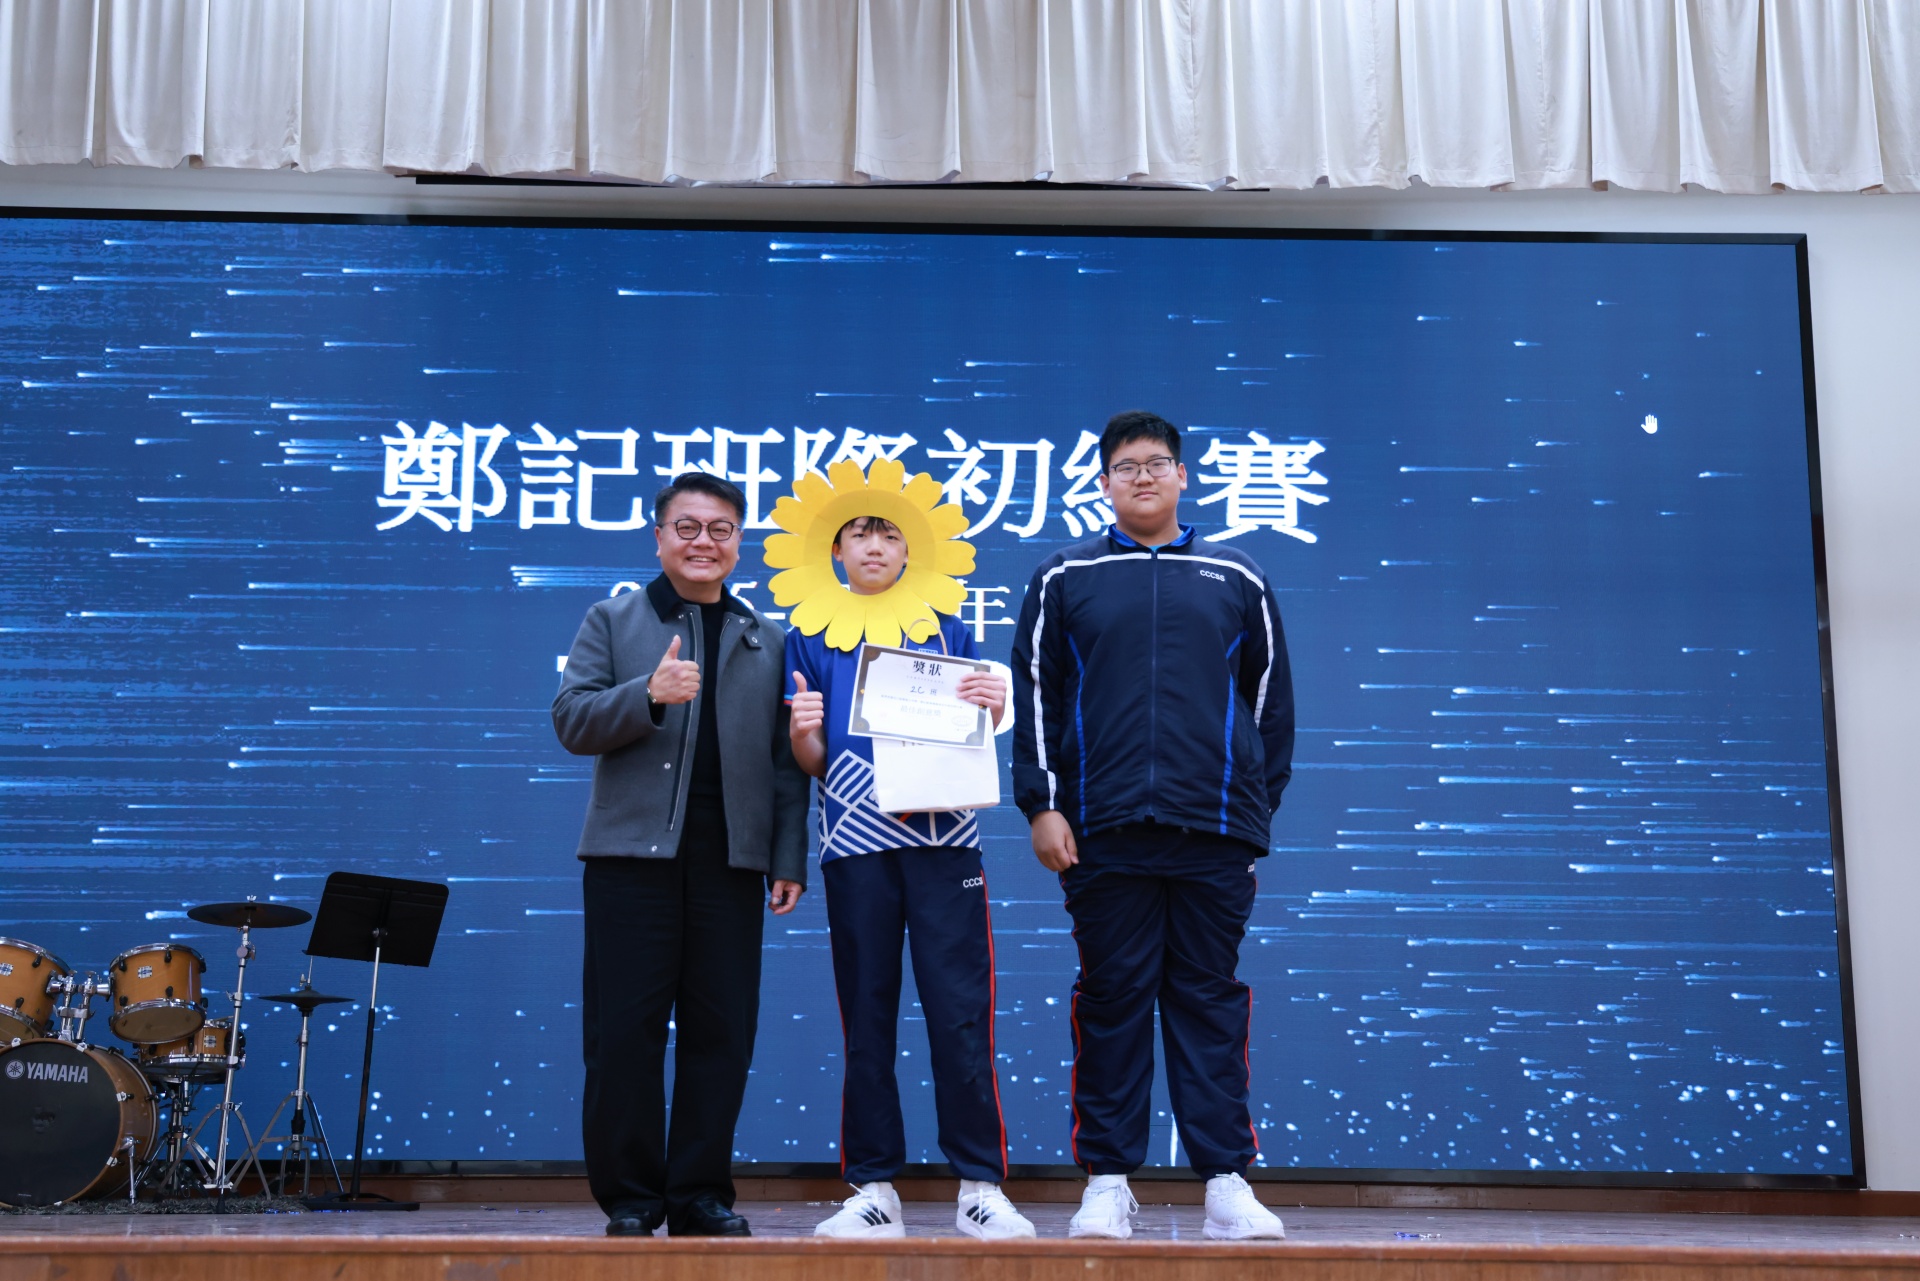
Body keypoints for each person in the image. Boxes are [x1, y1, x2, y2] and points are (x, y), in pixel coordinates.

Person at [1011, 410, 1294, 1241]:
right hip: (1102, 827)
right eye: (1126, 466)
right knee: (1113, 998)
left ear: (1182, 476)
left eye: (1157, 463)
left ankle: (1226, 1181)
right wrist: (1042, 803)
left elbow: (1271, 705)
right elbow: (1036, 696)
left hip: (1214, 831)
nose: (1143, 476)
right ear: (1104, 483)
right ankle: (1107, 1179)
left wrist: (1252, 814)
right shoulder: (1065, 576)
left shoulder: (1237, 575)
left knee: (1209, 999)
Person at [552, 472, 810, 1238]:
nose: (704, 542)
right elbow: (570, 719)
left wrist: (787, 856)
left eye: (720, 528)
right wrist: (648, 694)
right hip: (631, 861)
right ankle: (632, 1196)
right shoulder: (613, 618)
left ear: (740, 541)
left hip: (730, 861)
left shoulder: (764, 636)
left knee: (721, 1032)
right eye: (688, 527)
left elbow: (786, 763)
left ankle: (699, 1193)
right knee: (623, 1033)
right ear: (660, 536)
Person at [785, 513, 1036, 1241]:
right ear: (835, 549)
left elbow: (982, 724)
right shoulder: (808, 632)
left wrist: (994, 707)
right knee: (866, 1016)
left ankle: (980, 1187)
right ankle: (873, 1189)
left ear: (909, 550)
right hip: (855, 842)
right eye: (860, 535)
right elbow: (809, 758)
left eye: (890, 536)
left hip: (944, 841)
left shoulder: (948, 626)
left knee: (961, 1014)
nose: (874, 547)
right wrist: (803, 733)